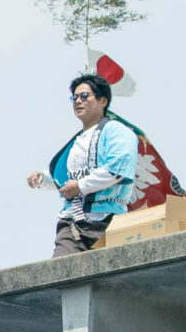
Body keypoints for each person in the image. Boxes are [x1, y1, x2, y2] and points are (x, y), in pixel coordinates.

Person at [26, 71, 138, 256]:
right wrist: (43, 179)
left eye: (84, 96)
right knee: (62, 272)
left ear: (103, 101)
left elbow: (118, 167)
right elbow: (64, 178)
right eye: (74, 97)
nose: (78, 101)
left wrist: (80, 186)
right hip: (71, 223)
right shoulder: (75, 143)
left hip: (107, 220)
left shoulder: (117, 132)